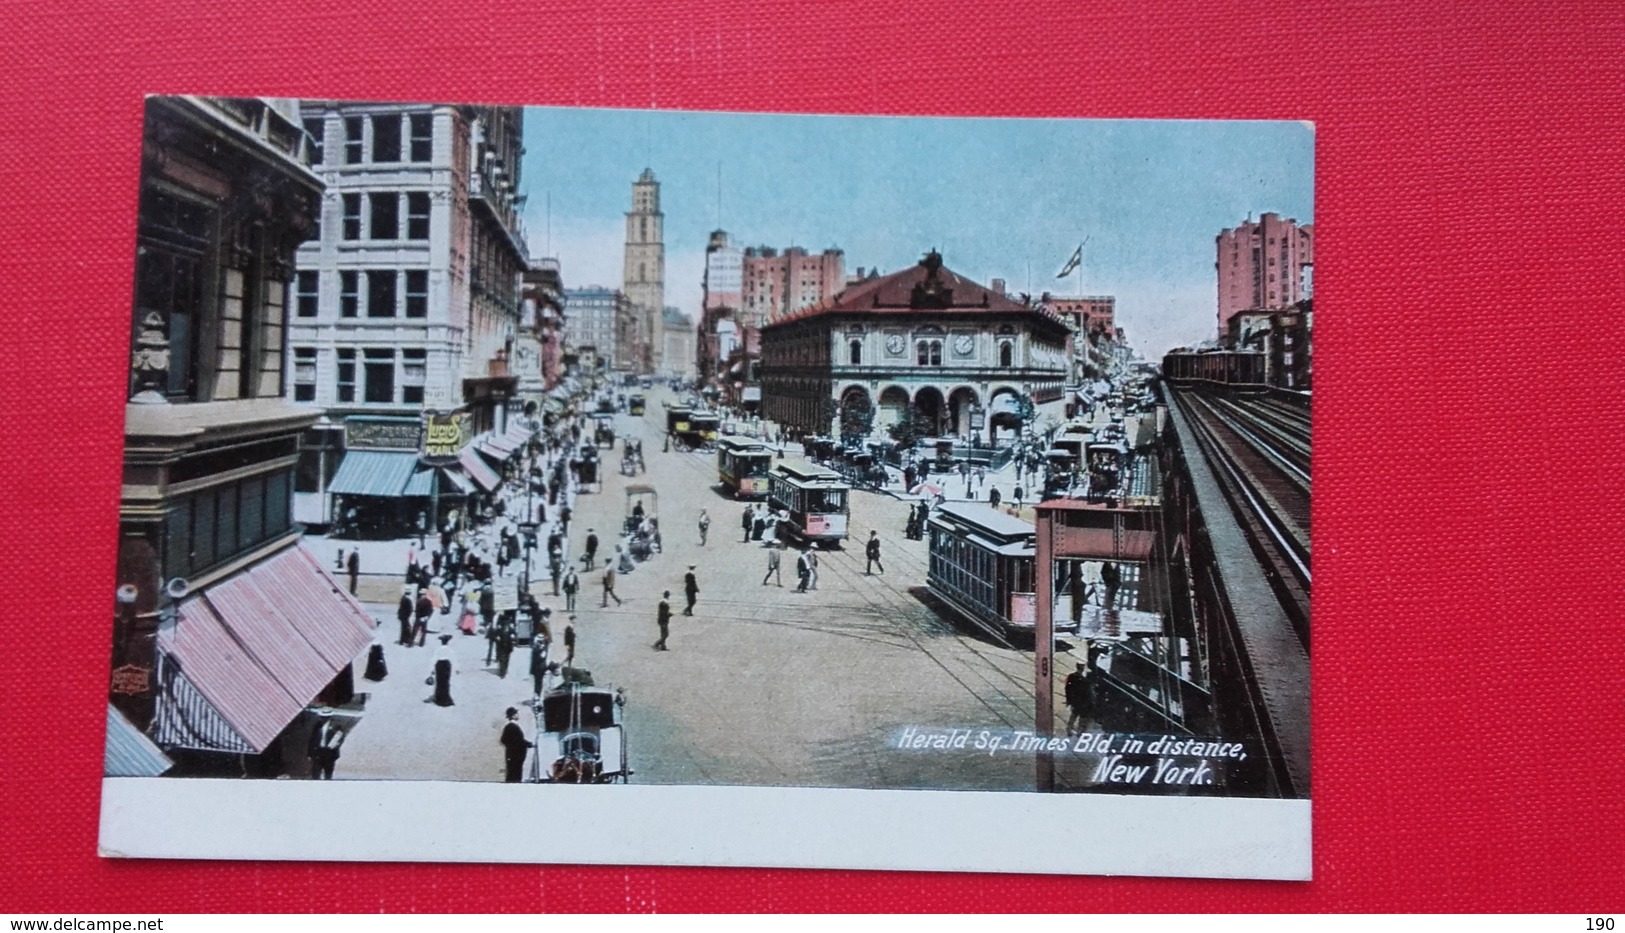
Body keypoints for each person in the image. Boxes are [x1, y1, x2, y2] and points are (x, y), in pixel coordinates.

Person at [307, 711, 344, 780]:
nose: (323, 719)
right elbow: (312, 740)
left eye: (325, 717)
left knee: (328, 774)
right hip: (319, 752)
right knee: (315, 773)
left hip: (329, 753)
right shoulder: (317, 726)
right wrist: (309, 753)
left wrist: (334, 746)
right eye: (322, 717)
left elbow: (340, 738)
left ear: (329, 718)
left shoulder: (335, 726)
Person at [500, 706, 531, 783]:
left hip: (513, 755)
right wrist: (523, 744)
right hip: (515, 755)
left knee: (513, 773)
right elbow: (517, 740)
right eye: (516, 713)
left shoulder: (511, 727)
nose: (518, 715)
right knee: (514, 774)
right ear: (513, 715)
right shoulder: (511, 727)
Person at [1064, 661, 1094, 735]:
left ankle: (1070, 729)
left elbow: (1068, 688)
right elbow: (1087, 692)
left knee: (1075, 714)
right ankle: (1079, 731)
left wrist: (1069, 699)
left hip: (1077, 700)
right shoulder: (1084, 680)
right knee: (1081, 716)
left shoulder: (1072, 677)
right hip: (1082, 701)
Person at [430, 634, 456, 707]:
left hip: (439, 665)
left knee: (439, 681)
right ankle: (446, 698)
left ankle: (439, 698)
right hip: (447, 665)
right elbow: (453, 659)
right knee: (446, 681)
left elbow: (434, 659)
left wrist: (432, 669)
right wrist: (457, 669)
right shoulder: (449, 650)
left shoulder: (438, 649)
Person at [529, 632, 551, 698]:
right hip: (538, 668)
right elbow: (541, 657)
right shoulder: (537, 648)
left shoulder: (542, 646)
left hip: (540, 668)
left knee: (539, 683)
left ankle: (537, 695)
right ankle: (537, 696)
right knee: (538, 683)